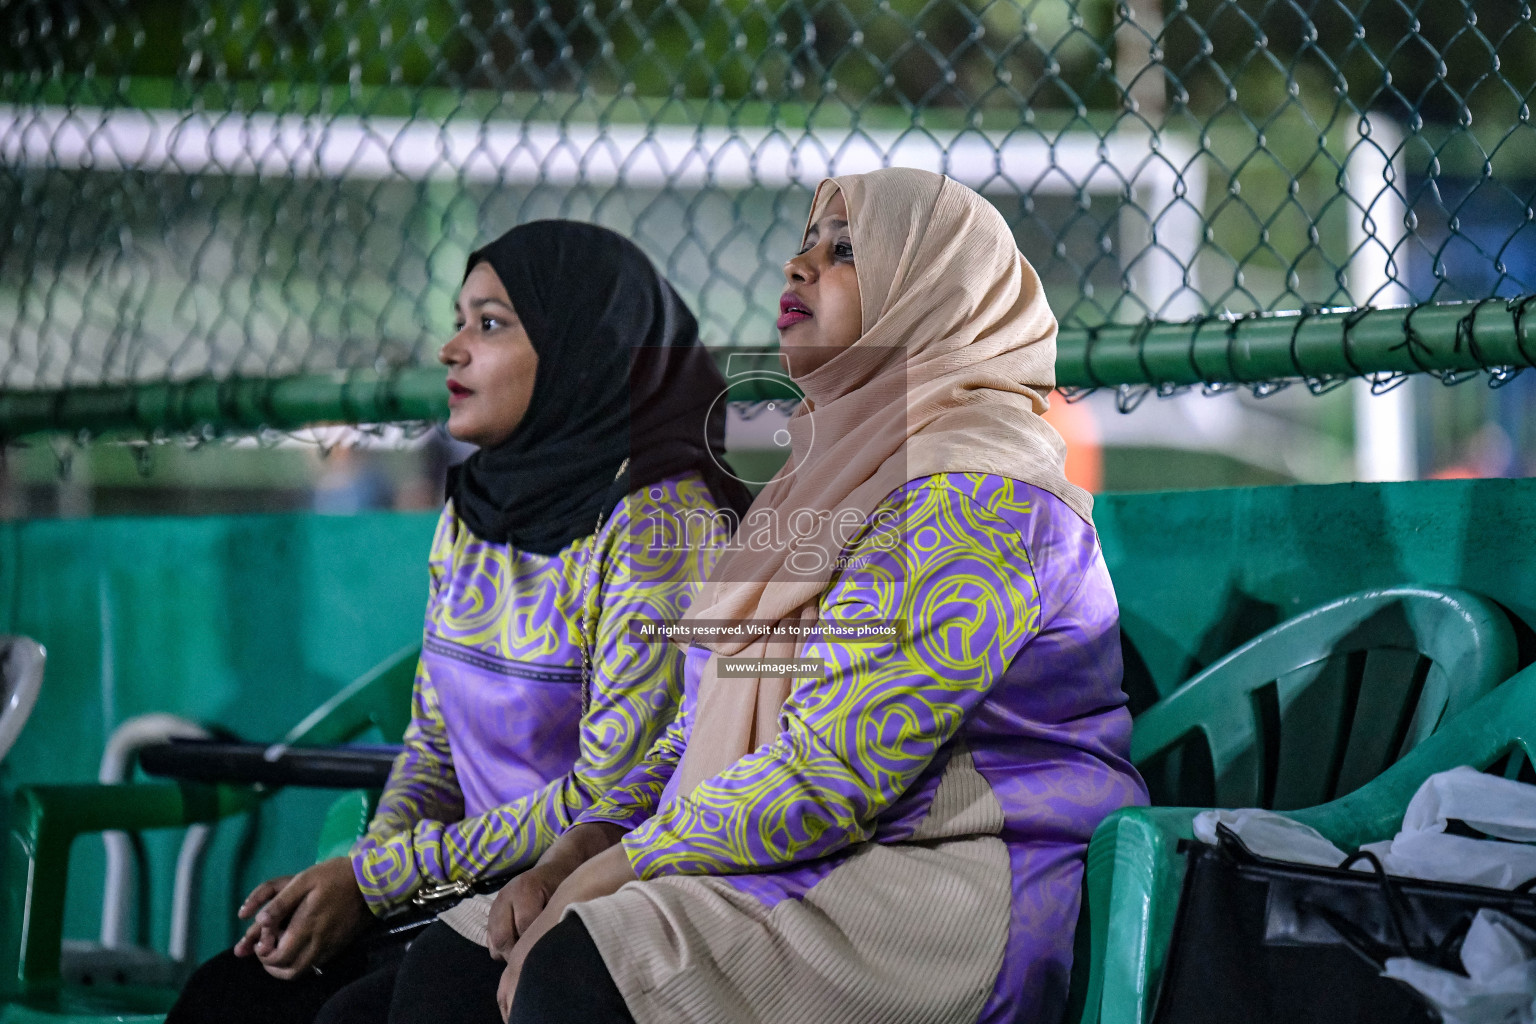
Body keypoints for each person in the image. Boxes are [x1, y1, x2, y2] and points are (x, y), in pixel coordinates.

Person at [485, 168, 1149, 1024]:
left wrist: (612, 873)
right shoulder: (819, 477)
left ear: (934, 294)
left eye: (845, 251)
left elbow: (830, 775)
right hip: (800, 851)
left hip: (953, 882)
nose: (799, 267)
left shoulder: (977, 498)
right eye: (804, 245)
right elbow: (699, 721)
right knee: (452, 965)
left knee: (578, 969)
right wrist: (587, 842)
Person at [166, 220, 753, 1024]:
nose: (450, 349)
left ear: (585, 346)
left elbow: (609, 795)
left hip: (576, 892)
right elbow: (433, 747)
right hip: (449, 887)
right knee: (230, 999)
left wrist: (378, 883)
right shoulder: (475, 506)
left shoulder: (660, 524)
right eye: (457, 319)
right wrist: (367, 877)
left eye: (489, 324)